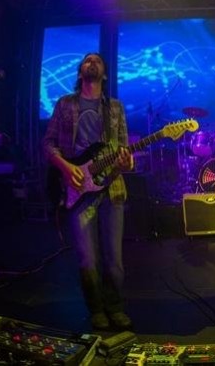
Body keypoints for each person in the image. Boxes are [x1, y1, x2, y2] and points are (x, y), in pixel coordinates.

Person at [42, 52, 134, 331]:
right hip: (78, 188)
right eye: (87, 60)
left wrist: (127, 162)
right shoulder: (65, 104)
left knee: (114, 260)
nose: (92, 62)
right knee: (88, 259)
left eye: (97, 61)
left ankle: (115, 307)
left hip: (112, 188)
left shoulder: (115, 108)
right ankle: (96, 310)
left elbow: (124, 149)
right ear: (80, 71)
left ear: (104, 74)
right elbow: (48, 144)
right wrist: (67, 167)